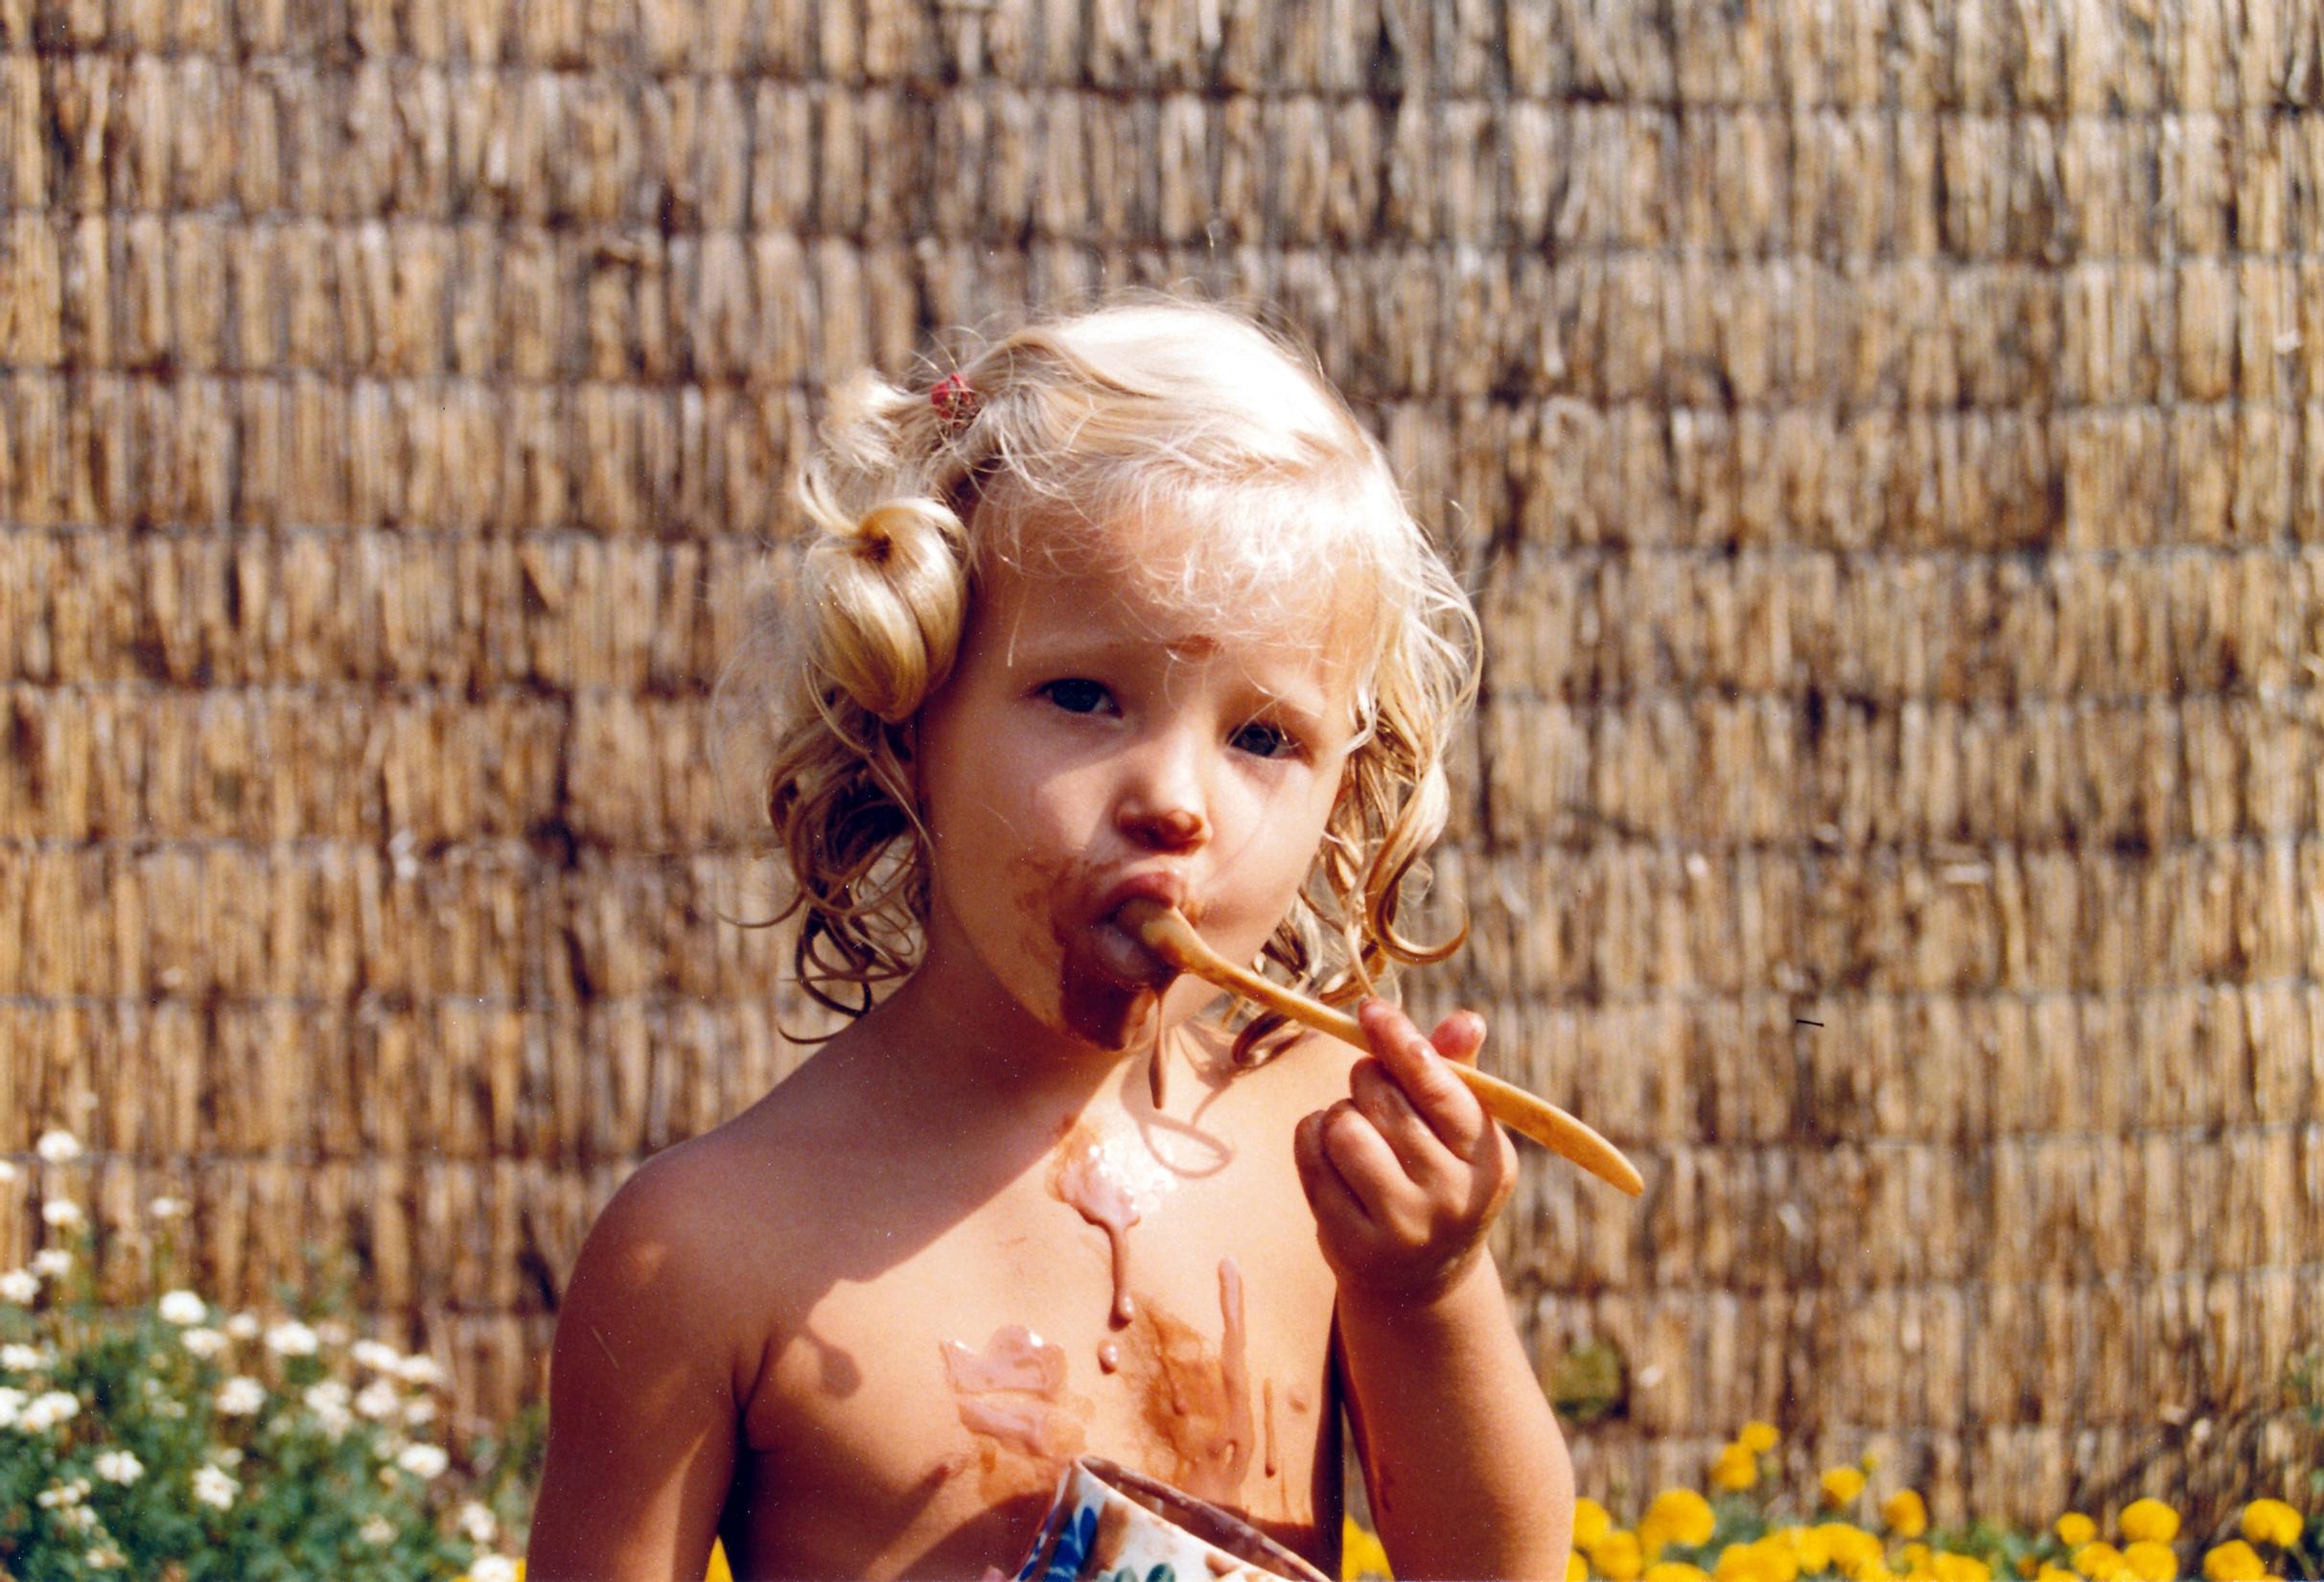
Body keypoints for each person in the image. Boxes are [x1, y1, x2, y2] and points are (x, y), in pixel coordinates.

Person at [523, 292, 1575, 1581]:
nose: (1176, 799)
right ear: (910, 717)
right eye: (1084, 696)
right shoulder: (704, 1249)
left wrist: (1428, 1292)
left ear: (1344, 791)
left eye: (1262, 737)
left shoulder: (1325, 1165)